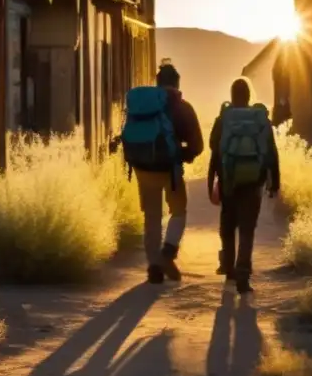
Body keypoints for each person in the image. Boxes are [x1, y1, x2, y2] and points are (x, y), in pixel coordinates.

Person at [119, 62, 204, 284]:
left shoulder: (143, 106)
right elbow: (198, 145)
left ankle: (154, 267)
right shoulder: (183, 107)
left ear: (157, 83)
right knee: (178, 212)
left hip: (142, 168)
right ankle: (168, 252)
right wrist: (182, 154)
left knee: (152, 217)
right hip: (170, 170)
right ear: (177, 83)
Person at [207, 77, 280, 294]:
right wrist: (274, 181)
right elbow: (271, 151)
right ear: (249, 96)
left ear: (232, 95)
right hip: (253, 180)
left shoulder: (224, 119)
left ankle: (228, 266)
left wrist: (213, 178)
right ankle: (243, 273)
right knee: (247, 228)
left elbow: (214, 147)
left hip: (229, 179)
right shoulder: (259, 119)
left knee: (228, 225)